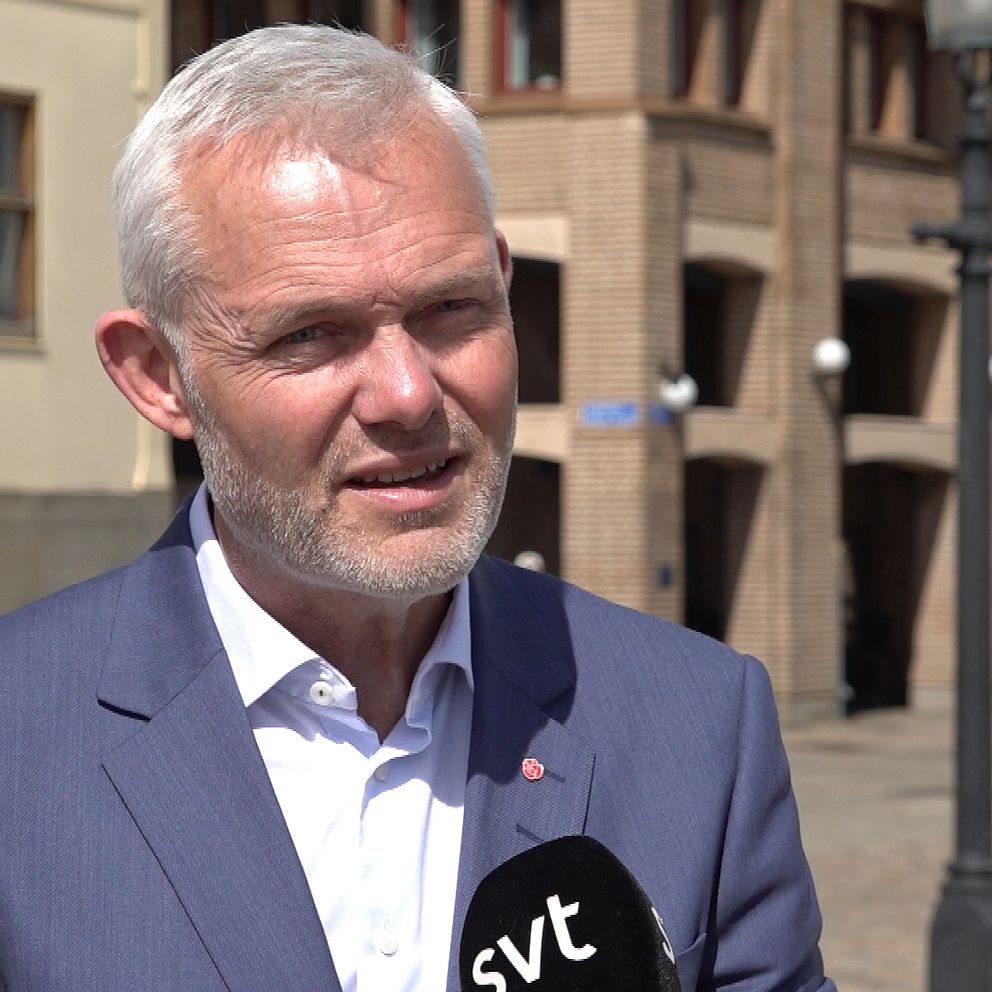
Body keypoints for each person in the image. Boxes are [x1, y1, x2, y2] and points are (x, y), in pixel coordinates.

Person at [0, 24, 834, 992]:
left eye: (450, 310)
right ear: (159, 377)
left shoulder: (700, 725)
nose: (407, 394)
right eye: (311, 334)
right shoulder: (23, 738)